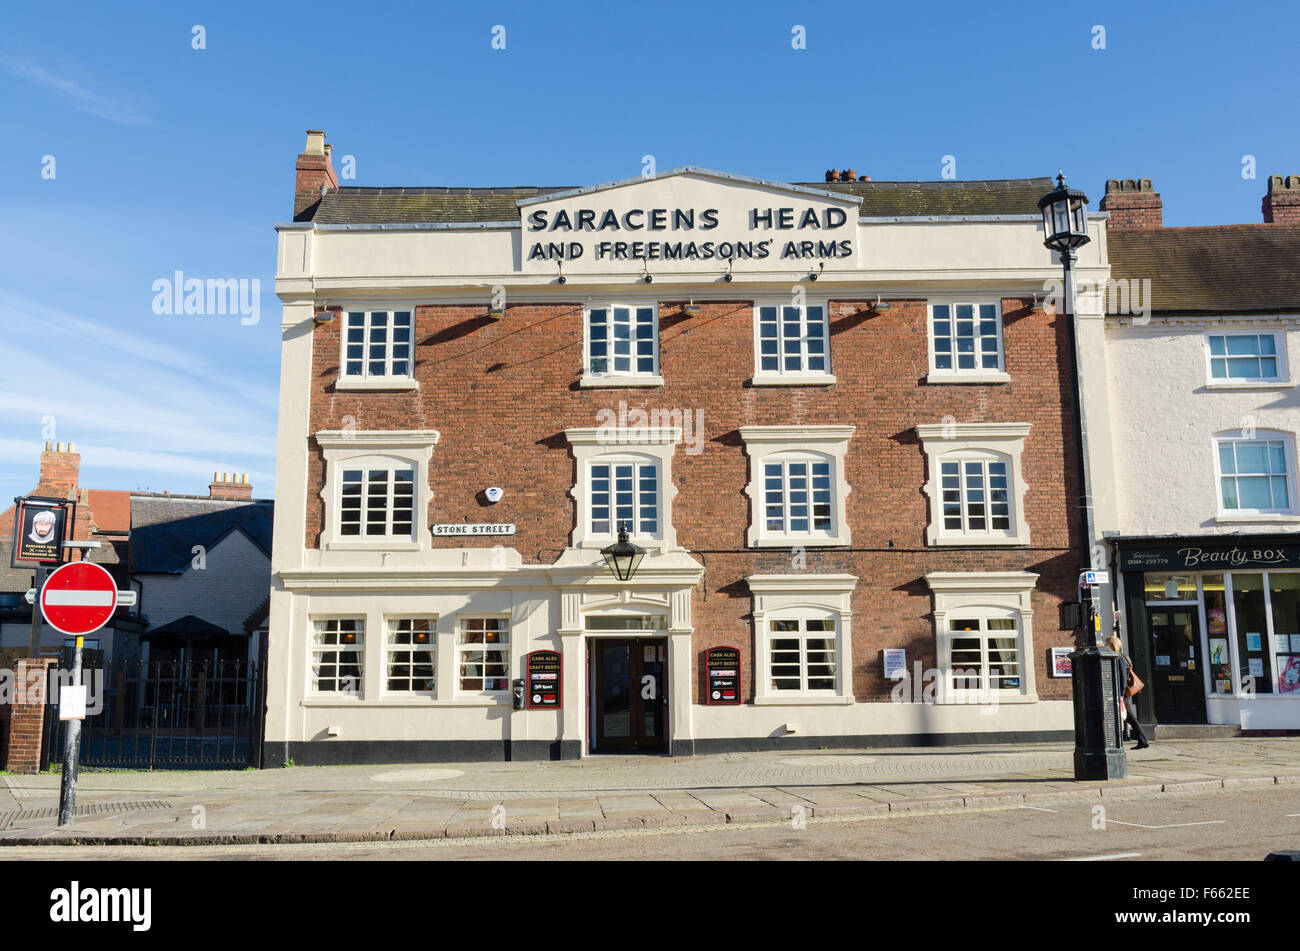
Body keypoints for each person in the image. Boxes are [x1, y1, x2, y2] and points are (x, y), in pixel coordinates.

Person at [1107, 635, 1150, 750]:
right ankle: (1142, 740)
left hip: (1122, 693)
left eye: (1107, 644)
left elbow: (1122, 677)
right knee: (1127, 717)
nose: (1106, 646)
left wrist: (1121, 695)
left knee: (1129, 717)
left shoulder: (1119, 658)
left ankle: (1143, 740)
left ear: (1112, 645)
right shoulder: (1117, 657)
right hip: (1120, 693)